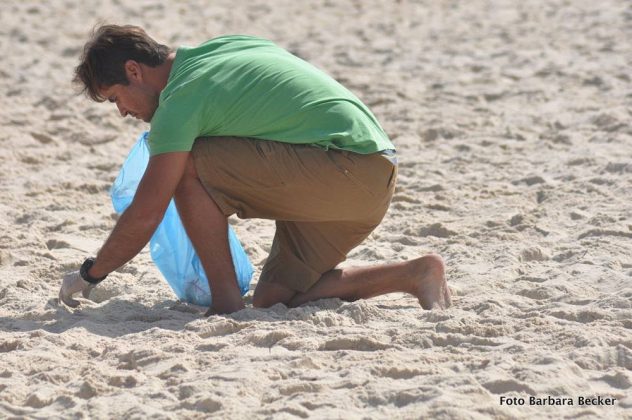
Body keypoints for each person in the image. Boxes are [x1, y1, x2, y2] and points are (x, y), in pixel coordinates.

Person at [59, 24, 451, 315]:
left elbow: (147, 211)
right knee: (273, 300)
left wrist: (90, 275)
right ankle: (414, 274)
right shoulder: (227, 46)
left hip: (346, 168)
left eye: (115, 99)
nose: (123, 111)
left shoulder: (179, 101)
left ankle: (226, 302)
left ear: (133, 71)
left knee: (187, 164)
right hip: (373, 176)